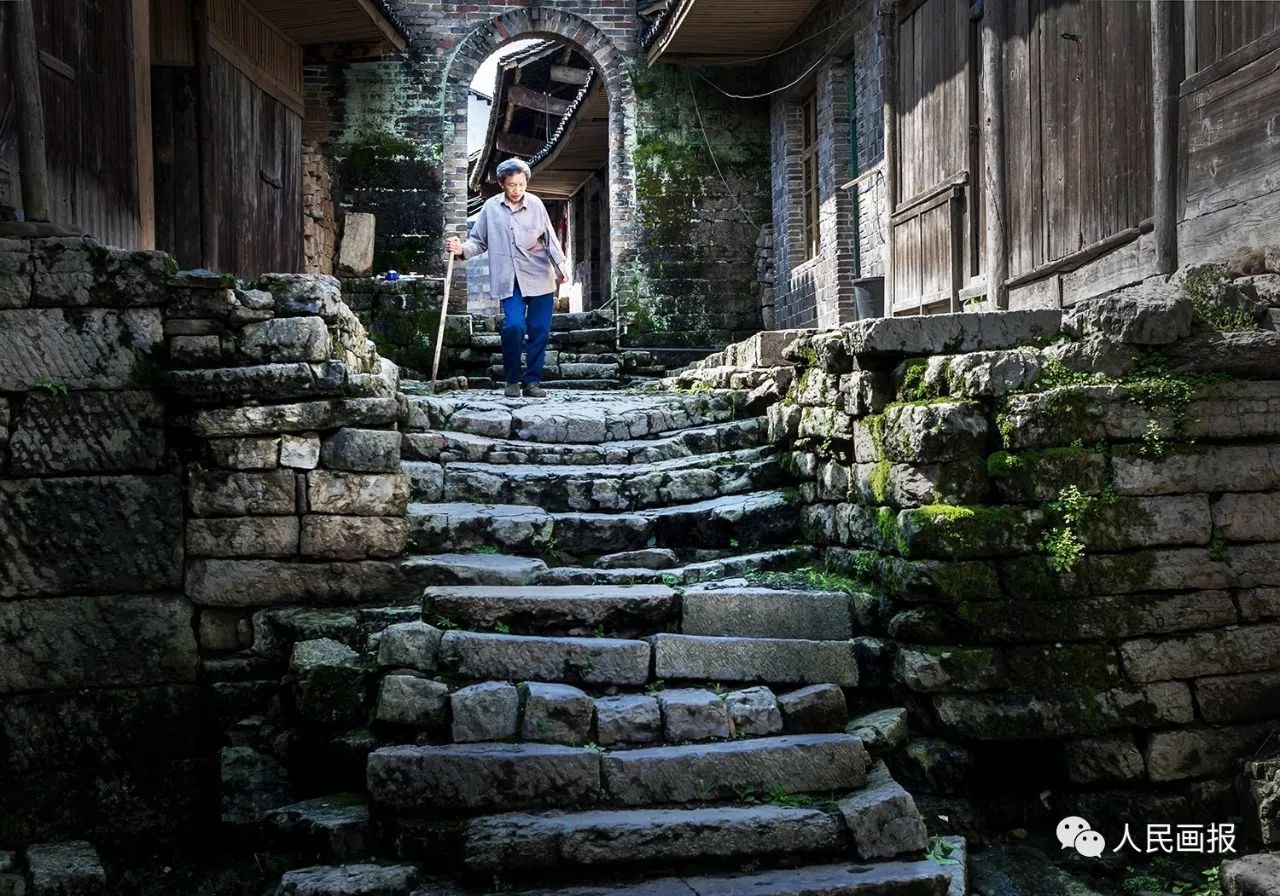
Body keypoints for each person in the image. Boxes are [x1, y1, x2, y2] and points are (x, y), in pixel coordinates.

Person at [445, 158, 568, 399]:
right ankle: (512, 379)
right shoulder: (490, 208)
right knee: (513, 326)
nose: (517, 190)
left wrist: (561, 267)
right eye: (512, 185)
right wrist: (460, 249)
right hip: (509, 278)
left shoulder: (536, 204)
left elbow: (551, 239)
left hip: (539, 275)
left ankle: (532, 382)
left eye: (521, 184)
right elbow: (479, 241)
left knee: (539, 329)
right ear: (503, 183)